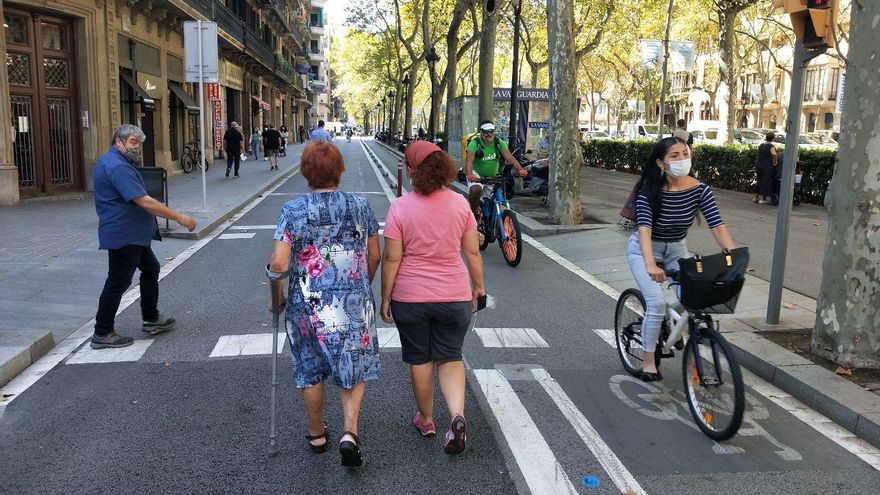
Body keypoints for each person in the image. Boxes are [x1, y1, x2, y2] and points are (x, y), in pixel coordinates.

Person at [267, 140, 381, 468]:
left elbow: (278, 263)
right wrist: (362, 284)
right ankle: (350, 432)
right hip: (354, 303)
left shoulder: (293, 211)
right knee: (352, 364)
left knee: (310, 368)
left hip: (308, 306)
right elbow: (374, 253)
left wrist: (277, 299)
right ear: (339, 171)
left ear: (306, 172)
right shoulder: (360, 206)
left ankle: (317, 433)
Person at [380, 141, 485, 456]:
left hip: (410, 297)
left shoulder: (400, 207)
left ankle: (426, 419)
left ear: (412, 172)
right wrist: (478, 286)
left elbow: (391, 259)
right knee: (451, 357)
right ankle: (456, 415)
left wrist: (386, 297)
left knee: (420, 359)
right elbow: (471, 251)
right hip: (453, 295)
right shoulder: (459, 204)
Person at [627, 137, 735, 381]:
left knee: (693, 299)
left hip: (676, 248)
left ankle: (668, 320)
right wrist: (650, 264)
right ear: (661, 163)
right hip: (644, 249)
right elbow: (644, 229)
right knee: (655, 304)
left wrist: (732, 255)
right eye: (674, 156)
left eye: (685, 154)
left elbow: (717, 225)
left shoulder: (700, 190)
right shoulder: (649, 192)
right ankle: (648, 362)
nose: (681, 159)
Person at [90, 124, 197, 349]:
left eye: (139, 143)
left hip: (132, 234)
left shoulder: (116, 162)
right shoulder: (117, 166)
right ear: (118, 142)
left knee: (151, 269)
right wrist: (180, 218)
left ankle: (150, 317)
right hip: (124, 234)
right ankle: (102, 332)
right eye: (132, 142)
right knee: (118, 281)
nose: (137, 147)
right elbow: (144, 201)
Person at [463, 121, 527, 217]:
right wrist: (470, 175)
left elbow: (509, 158)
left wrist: (520, 169)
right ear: (481, 132)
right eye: (485, 133)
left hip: (492, 177)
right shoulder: (474, 143)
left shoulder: (499, 142)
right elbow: (469, 161)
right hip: (476, 175)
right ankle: (474, 212)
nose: (488, 136)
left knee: (494, 200)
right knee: (476, 189)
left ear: (494, 132)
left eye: (491, 133)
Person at [755, 131, 778, 204]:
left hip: (759, 165)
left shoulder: (761, 145)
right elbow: (774, 154)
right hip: (766, 166)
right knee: (765, 181)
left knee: (759, 180)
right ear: (773, 138)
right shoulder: (771, 146)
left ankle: (756, 197)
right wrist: (775, 161)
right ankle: (762, 199)